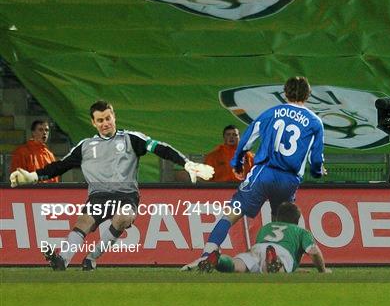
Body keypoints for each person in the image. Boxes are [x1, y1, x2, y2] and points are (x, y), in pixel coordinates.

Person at [10, 100, 214, 271]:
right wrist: (33, 176)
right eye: (100, 120)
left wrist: (187, 163)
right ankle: (62, 260)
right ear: (93, 123)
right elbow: (60, 166)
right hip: (98, 196)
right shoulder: (86, 146)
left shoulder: (131, 139)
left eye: (108, 118)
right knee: (83, 222)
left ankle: (92, 257)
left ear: (114, 117)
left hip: (126, 195)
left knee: (123, 217)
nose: (105, 123)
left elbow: (160, 148)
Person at [189, 76, 325, 272]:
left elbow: (247, 139)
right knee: (280, 222)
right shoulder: (314, 122)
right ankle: (275, 260)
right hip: (289, 179)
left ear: (285, 93)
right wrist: (318, 171)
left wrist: (236, 162)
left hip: (263, 172)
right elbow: (316, 158)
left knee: (231, 214)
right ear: (308, 95)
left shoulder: (271, 113)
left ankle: (206, 254)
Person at [198, 202, 330, 274]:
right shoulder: (301, 232)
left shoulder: (267, 227)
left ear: (278, 217)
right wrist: (322, 270)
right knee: (275, 271)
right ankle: (274, 263)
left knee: (238, 266)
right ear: (297, 220)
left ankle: (219, 260)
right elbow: (314, 252)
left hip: (258, 248)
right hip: (281, 252)